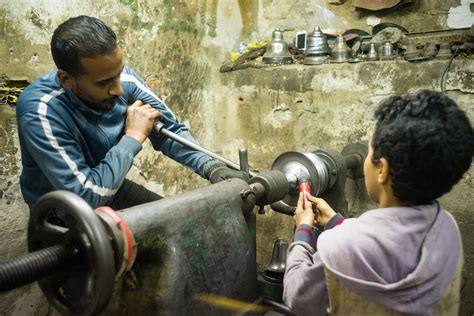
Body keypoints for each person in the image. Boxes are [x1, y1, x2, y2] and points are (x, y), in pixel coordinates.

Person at [16, 15, 247, 211]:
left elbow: (171, 131)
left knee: (183, 231)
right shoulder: (41, 110)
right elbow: (85, 196)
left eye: (118, 73)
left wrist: (211, 167)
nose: (118, 89)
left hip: (112, 188)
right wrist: (133, 137)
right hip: (65, 211)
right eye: (104, 82)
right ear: (66, 79)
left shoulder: (124, 80)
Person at [283, 90, 473, 315]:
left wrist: (303, 230)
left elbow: (297, 296)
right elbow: (389, 247)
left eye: (369, 149)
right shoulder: (447, 227)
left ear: (382, 169)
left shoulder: (340, 248)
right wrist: (336, 222)